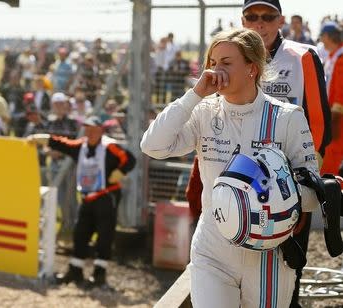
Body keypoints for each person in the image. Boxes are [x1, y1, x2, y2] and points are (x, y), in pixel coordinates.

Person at [141, 28, 319, 307]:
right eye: (212, 63)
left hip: (269, 255)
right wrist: (194, 95)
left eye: (226, 62)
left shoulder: (288, 118)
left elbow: (312, 195)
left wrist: (278, 194)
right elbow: (152, 146)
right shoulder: (203, 112)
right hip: (212, 250)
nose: (215, 71)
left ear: (252, 67)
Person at [185, 2, 332, 306]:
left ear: (280, 20)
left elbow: (318, 122)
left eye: (267, 17)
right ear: (243, 20)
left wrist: (298, 189)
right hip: (229, 178)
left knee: (284, 277)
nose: (260, 23)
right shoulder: (227, 54)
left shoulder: (302, 55)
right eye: (252, 17)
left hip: (282, 189)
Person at [27, 115, 136, 287]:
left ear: (101, 130)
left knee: (104, 235)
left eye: (93, 129)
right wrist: (42, 139)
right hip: (87, 198)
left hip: (107, 196)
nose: (90, 133)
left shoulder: (110, 147)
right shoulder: (81, 146)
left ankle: (100, 274)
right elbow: (63, 144)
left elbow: (130, 159)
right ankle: (75, 271)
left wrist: (121, 172)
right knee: (80, 233)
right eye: (87, 129)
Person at [320, 22, 343, 176]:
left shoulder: (340, 58)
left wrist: (334, 119)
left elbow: (340, 92)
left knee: (333, 164)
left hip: (338, 120)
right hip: (332, 115)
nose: (321, 40)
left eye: (322, 36)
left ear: (328, 37)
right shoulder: (332, 56)